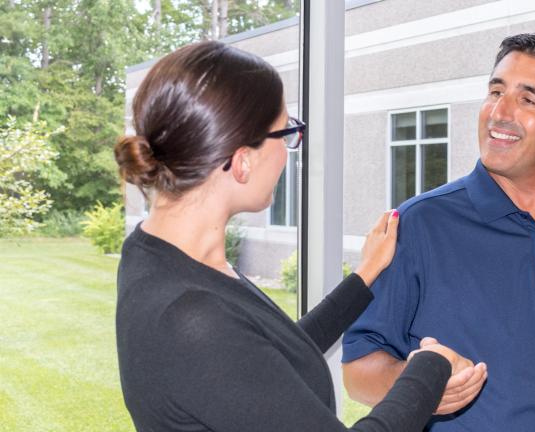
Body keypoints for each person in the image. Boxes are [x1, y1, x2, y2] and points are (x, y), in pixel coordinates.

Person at [113, 41, 487, 432]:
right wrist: (430, 368)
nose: (289, 151)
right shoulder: (190, 317)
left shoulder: (155, 252)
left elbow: (265, 359)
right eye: (286, 131)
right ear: (243, 161)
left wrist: (365, 275)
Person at [342, 33, 535, 431]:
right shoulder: (417, 225)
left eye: (527, 99)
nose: (499, 112)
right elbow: (358, 370)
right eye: (495, 91)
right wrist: (420, 386)